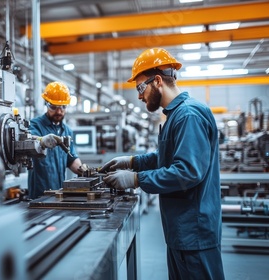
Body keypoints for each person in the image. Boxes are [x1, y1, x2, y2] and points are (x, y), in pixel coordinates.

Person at [101, 48, 224, 280]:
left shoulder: (188, 116)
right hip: (181, 231)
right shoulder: (176, 115)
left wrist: (136, 179)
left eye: (140, 88)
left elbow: (187, 172)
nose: (139, 96)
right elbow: (166, 157)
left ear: (157, 81)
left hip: (194, 233)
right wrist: (131, 162)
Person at [28, 81, 83, 199]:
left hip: (59, 194)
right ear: (46, 104)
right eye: (53, 107)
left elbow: (71, 158)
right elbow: (29, 140)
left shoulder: (67, 130)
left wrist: (82, 170)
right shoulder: (36, 125)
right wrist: (41, 140)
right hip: (39, 195)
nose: (59, 111)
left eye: (63, 107)